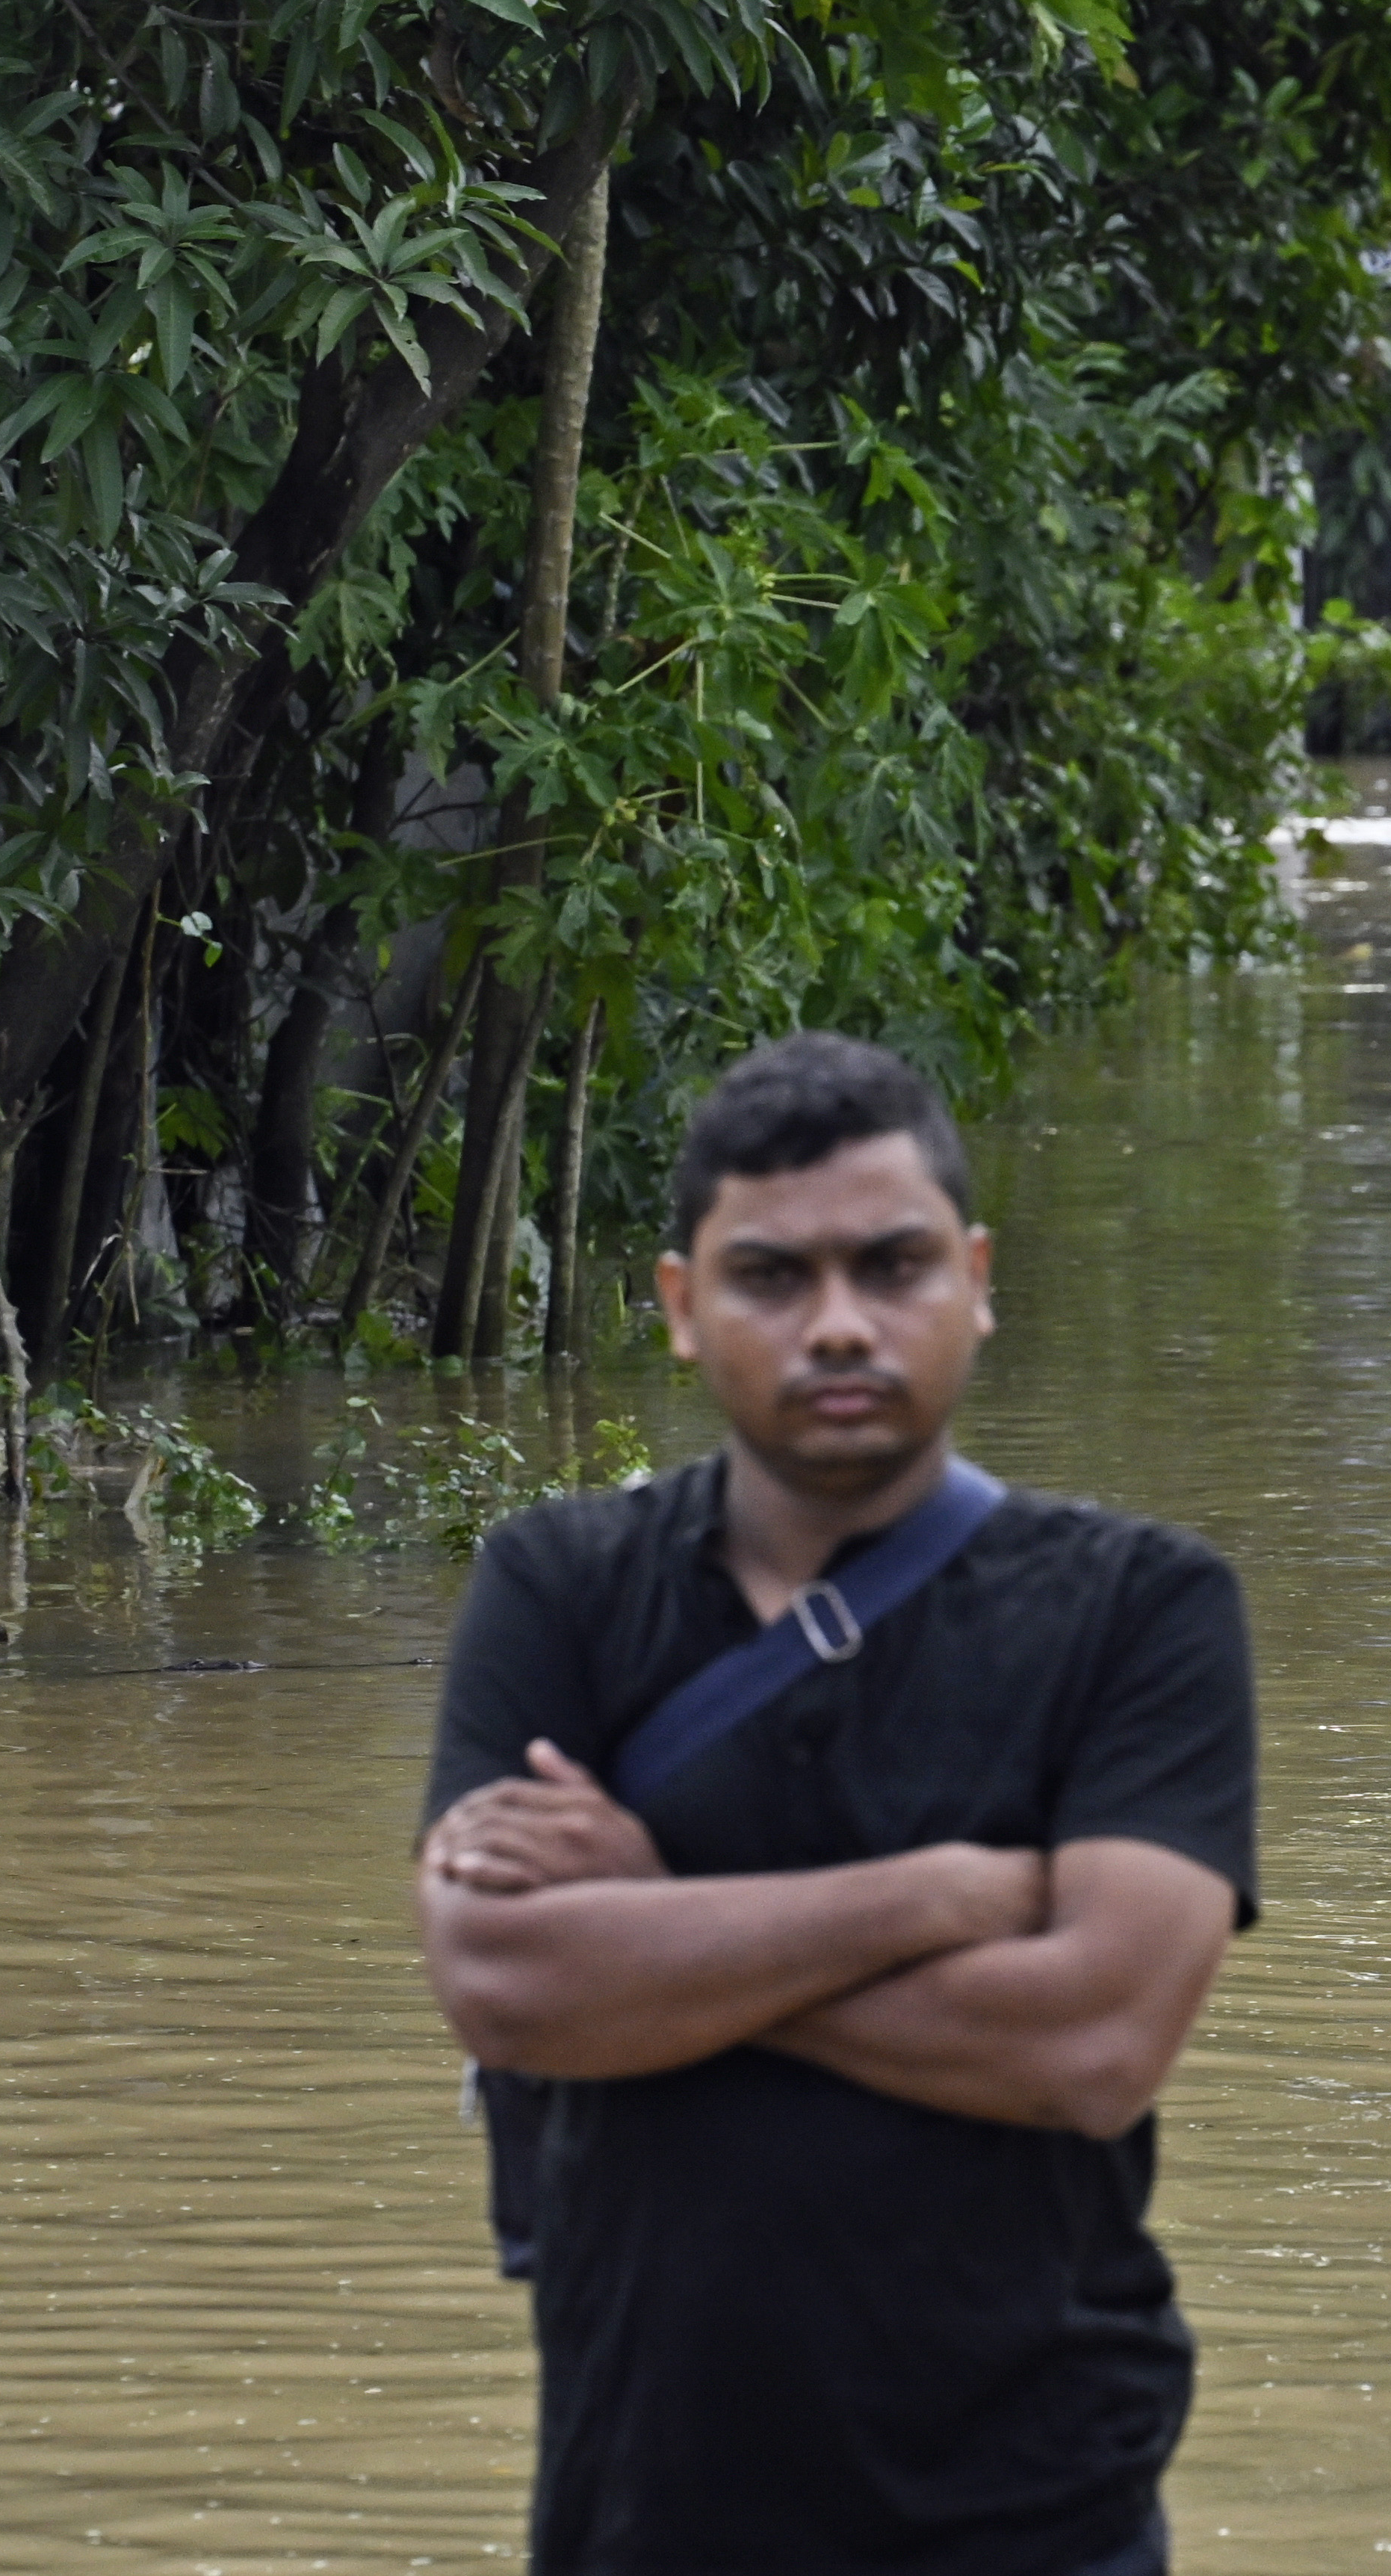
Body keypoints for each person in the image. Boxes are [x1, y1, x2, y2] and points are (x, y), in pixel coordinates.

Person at [416, 1032, 1255, 2576]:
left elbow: (1091, 2044)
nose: (840, 1325)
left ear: (977, 1279)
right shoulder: (560, 1584)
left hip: (1039, 2516)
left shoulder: (1141, 1608)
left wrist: (654, 1924)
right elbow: (506, 1986)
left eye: (893, 1265)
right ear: (681, 1306)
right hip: (642, 2512)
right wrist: (936, 1897)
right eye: (772, 1277)